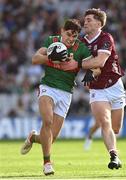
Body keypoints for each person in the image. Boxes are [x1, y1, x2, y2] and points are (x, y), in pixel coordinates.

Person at [20, 19, 93, 176]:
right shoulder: (51, 41)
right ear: (61, 31)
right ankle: (47, 163)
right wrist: (53, 57)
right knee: (47, 121)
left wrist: (86, 70)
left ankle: (33, 138)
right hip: (48, 87)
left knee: (50, 138)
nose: (71, 38)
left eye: (74, 36)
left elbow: (94, 65)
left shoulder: (81, 48)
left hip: (66, 92)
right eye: (68, 34)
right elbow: (35, 59)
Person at [60, 8, 126, 170]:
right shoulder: (81, 42)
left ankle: (91, 132)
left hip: (115, 85)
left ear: (99, 23)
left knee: (116, 128)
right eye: (85, 19)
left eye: (89, 20)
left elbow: (100, 61)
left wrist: (80, 65)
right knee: (105, 123)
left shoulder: (105, 38)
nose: (85, 22)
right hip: (97, 89)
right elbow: (75, 59)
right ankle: (114, 156)